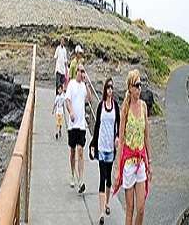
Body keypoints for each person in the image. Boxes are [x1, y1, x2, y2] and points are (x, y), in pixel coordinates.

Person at [113, 70, 152, 225]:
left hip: (141, 162)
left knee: (141, 207)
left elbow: (147, 136)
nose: (139, 88)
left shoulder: (143, 106)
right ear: (130, 87)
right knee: (130, 209)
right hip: (129, 164)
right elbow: (121, 141)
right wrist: (118, 169)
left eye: (140, 84)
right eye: (136, 85)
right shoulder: (125, 109)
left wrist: (150, 162)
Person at [90, 78, 120, 225]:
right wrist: (93, 143)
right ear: (105, 90)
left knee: (108, 178)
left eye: (111, 88)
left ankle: (107, 202)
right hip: (101, 146)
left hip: (111, 147)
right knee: (102, 178)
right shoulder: (101, 106)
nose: (110, 90)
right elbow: (97, 125)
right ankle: (101, 212)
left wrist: (118, 138)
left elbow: (119, 126)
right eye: (108, 87)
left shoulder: (116, 106)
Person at [65, 63, 93, 193]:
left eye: (84, 71)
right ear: (76, 71)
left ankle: (81, 180)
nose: (82, 73)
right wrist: (70, 112)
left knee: (81, 151)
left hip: (81, 125)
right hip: (73, 124)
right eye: (81, 71)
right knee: (72, 151)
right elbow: (68, 100)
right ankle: (72, 173)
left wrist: (87, 83)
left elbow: (90, 99)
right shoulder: (71, 84)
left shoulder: (83, 86)